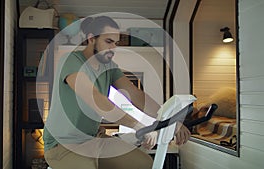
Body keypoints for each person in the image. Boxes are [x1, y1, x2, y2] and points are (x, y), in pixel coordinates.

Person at [43, 15, 191, 169]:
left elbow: (136, 95)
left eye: (116, 43)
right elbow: (96, 99)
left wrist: (171, 121)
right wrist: (137, 125)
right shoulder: (71, 61)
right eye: (108, 41)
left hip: (95, 140)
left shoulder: (109, 67)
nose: (113, 48)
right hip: (62, 145)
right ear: (91, 39)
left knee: (144, 163)